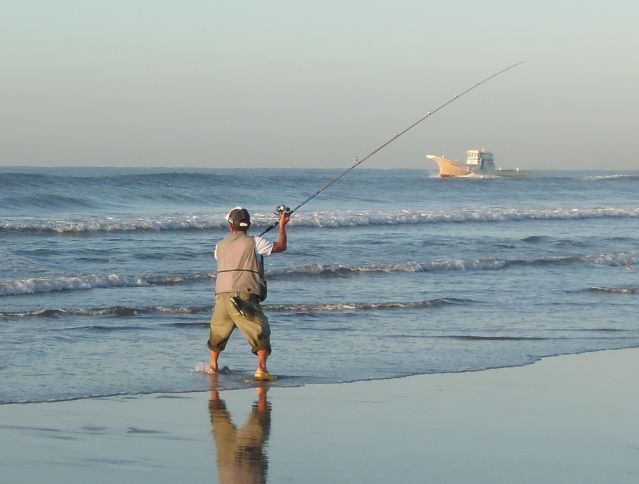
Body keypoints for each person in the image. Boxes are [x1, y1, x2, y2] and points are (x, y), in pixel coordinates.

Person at [207, 206, 290, 380]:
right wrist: (282, 226)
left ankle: (213, 366)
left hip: (221, 296)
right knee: (260, 330)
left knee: (218, 333)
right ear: (249, 224)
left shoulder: (219, 246)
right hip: (244, 295)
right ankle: (261, 368)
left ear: (230, 226)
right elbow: (281, 246)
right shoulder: (256, 242)